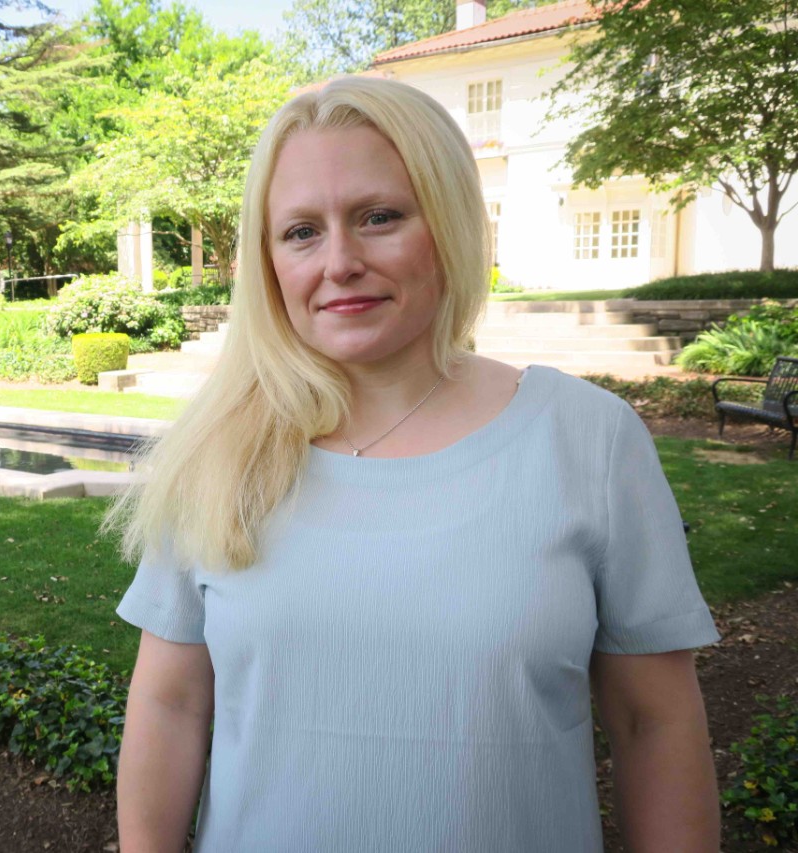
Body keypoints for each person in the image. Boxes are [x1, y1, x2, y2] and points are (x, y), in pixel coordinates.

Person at [110, 77, 720, 852]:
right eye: (301, 231)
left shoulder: (587, 439)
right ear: (266, 259)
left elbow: (653, 721)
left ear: (450, 222)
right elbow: (170, 704)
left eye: (379, 217)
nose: (340, 261)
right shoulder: (218, 448)